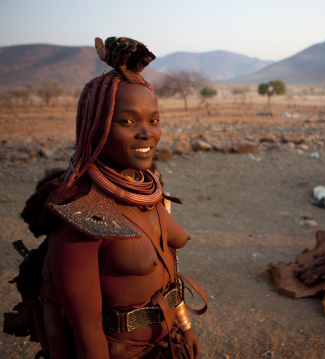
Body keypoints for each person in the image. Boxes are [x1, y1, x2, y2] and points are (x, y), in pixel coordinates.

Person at [13, 37, 206, 359]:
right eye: (128, 122)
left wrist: (185, 327)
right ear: (97, 127)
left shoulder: (150, 190)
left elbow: (169, 272)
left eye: (153, 120)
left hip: (169, 342)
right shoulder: (81, 215)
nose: (147, 132)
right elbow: (86, 328)